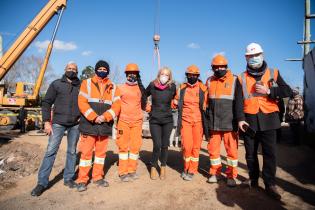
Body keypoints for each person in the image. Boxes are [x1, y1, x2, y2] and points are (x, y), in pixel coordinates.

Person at [237, 43, 292, 200]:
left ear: (262, 54)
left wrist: (269, 91)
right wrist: (240, 119)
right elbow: (238, 101)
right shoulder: (241, 77)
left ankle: (270, 184)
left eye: (256, 55)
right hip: (249, 121)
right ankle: (253, 179)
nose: (254, 58)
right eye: (250, 56)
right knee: (250, 154)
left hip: (269, 119)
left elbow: (286, 91)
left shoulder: (274, 73)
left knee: (270, 154)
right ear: (246, 57)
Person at [31, 62, 81, 196]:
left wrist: (82, 117)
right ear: (65, 70)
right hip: (58, 123)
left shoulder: (81, 86)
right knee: (51, 151)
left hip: (75, 124)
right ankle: (42, 183)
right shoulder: (56, 84)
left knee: (72, 152)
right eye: (69, 69)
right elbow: (46, 102)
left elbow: (85, 103)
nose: (72, 71)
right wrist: (47, 122)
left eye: (74, 69)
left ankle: (68, 178)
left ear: (77, 71)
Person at [76, 60, 121, 192]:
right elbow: (82, 102)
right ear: (96, 70)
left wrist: (105, 117)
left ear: (108, 71)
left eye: (104, 69)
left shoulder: (113, 86)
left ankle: (97, 177)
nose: (102, 70)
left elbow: (117, 106)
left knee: (101, 155)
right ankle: (82, 180)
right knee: (86, 154)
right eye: (100, 68)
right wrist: (94, 117)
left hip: (104, 126)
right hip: (89, 125)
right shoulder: (87, 83)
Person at [206, 55, 242, 187]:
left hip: (230, 124)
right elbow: (206, 102)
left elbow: (239, 103)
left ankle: (231, 176)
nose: (219, 69)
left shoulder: (235, 80)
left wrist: (239, 121)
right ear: (213, 68)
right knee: (213, 151)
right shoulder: (209, 81)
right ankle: (214, 173)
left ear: (226, 67)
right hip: (214, 123)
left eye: (222, 66)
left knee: (232, 152)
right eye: (216, 67)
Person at [173, 65, 208, 181]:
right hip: (185, 122)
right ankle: (186, 168)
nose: (192, 77)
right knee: (187, 147)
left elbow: (207, 104)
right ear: (186, 76)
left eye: (194, 75)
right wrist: (173, 102)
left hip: (198, 122)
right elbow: (175, 101)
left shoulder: (203, 88)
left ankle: (192, 170)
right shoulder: (182, 88)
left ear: (198, 76)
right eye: (189, 75)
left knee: (196, 147)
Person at [116, 63, 146, 182]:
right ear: (126, 75)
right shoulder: (120, 88)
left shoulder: (140, 89)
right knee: (123, 147)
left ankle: (132, 170)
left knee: (135, 147)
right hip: (123, 121)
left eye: (134, 73)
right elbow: (116, 105)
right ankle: (123, 172)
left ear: (137, 75)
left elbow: (145, 105)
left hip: (137, 122)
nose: (132, 75)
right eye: (130, 73)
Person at [145, 67, 176, 180]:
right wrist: (146, 104)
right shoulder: (152, 85)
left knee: (164, 145)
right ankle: (153, 166)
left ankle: (163, 166)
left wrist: (175, 101)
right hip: (155, 120)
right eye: (162, 74)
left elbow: (176, 97)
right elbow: (144, 94)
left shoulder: (172, 86)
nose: (164, 76)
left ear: (169, 77)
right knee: (157, 145)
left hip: (167, 120)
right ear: (158, 75)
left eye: (166, 75)